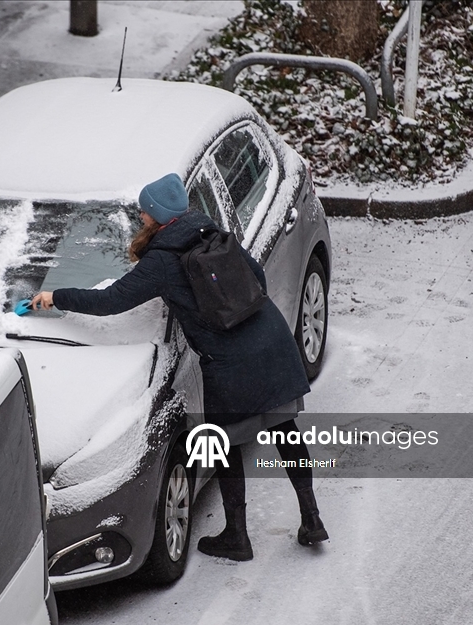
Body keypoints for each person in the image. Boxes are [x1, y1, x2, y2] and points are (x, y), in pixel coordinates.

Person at [30, 173, 328, 561]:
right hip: (270, 338)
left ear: (157, 217)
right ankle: (312, 518)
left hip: (229, 359)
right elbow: (256, 277)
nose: (140, 215)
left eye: (144, 211)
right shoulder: (211, 230)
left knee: (225, 444)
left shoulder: (162, 261)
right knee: (286, 431)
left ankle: (237, 537)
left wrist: (57, 296)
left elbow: (111, 301)